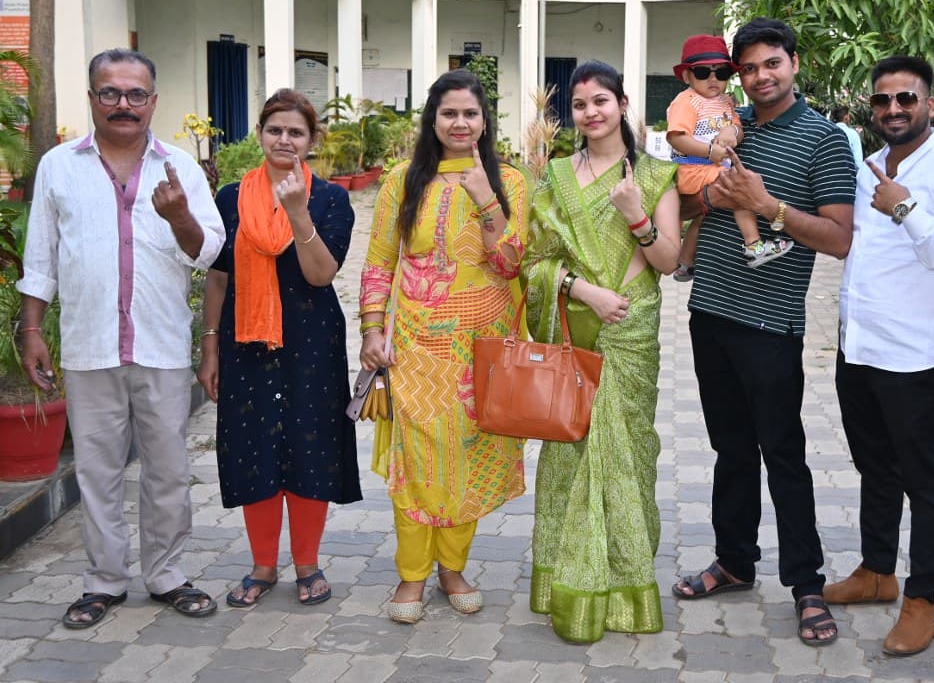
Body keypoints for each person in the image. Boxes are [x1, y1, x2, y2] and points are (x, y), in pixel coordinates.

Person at [17, 48, 225, 627]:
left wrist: (180, 214)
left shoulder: (178, 167)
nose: (124, 104)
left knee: (167, 469)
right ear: (91, 99)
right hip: (90, 345)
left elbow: (209, 251)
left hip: (158, 344)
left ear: (153, 101)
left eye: (136, 94)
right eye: (110, 93)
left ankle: (166, 575)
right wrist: (31, 328)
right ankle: (103, 581)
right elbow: (41, 258)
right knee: (98, 471)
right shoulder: (59, 166)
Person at [671, 18, 856, 647]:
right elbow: (695, 203)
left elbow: (838, 239)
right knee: (729, 449)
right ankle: (735, 560)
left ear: (794, 63)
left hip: (771, 322)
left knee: (784, 454)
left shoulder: (824, 140)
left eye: (770, 63)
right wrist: (711, 201)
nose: (759, 77)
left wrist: (768, 204)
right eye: (747, 68)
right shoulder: (732, 128)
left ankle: (806, 584)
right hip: (711, 312)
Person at [825, 56, 934, 655]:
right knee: (875, 467)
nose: (893, 110)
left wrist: (906, 208)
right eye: (882, 100)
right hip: (860, 347)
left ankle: (923, 599)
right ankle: (876, 573)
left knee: (926, 482)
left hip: (917, 358)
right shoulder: (868, 167)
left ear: (930, 103)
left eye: (906, 99)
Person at [358, 69, 528, 625]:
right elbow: (381, 259)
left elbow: (509, 264)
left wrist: (486, 201)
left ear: (484, 122)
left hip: (481, 350)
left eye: (470, 114)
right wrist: (371, 329)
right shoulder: (403, 180)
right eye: (450, 113)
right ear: (433, 120)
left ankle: (453, 568)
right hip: (415, 349)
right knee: (417, 461)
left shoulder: (512, 182)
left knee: (464, 460)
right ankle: (412, 574)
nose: (460, 123)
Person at [524, 60, 680, 643]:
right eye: (580, 105)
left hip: (631, 329)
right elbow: (534, 264)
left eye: (601, 101)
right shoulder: (557, 177)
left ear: (622, 105)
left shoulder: (657, 175)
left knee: (626, 454)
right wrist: (581, 289)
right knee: (570, 457)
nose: (591, 113)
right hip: (575, 327)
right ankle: (570, 580)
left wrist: (635, 214)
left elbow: (668, 261)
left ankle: (622, 584)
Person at [196, 88, 362, 608]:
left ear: (312, 141)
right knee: (255, 449)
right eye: (275, 130)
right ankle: (263, 565)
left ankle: (308, 564)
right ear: (260, 135)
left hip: (312, 342)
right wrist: (209, 348)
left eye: (296, 132)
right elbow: (218, 280)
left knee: (309, 448)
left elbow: (321, 274)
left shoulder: (330, 199)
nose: (284, 139)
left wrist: (296, 212)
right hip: (245, 342)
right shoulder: (229, 197)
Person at [667, 34, 792, 282]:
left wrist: (732, 131)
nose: (713, 79)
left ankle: (685, 262)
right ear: (687, 77)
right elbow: (676, 137)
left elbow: (738, 128)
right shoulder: (687, 101)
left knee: (704, 216)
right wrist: (710, 151)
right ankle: (753, 245)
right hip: (694, 167)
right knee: (740, 190)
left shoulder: (725, 102)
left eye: (721, 72)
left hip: (711, 166)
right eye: (703, 72)